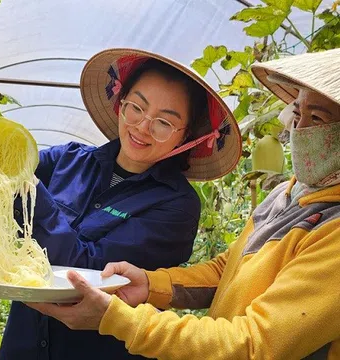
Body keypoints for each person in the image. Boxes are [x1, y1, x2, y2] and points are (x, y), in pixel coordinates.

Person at [0, 48, 242, 360]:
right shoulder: (68, 159)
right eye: (137, 107)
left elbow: (90, 271)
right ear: (121, 104)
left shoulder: (177, 206)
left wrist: (28, 188)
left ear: (186, 137)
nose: (143, 127)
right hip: (22, 346)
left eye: (164, 122)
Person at [27, 48, 340, 360]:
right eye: (297, 113)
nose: (298, 130)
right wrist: (152, 283)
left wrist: (120, 318)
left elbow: (255, 344)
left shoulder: (333, 231)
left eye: (318, 119)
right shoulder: (288, 195)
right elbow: (227, 270)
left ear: (185, 136)